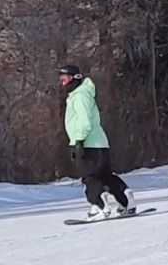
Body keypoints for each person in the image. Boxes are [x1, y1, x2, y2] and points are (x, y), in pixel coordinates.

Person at [58, 64, 136, 220]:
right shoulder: (82, 94)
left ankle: (99, 206)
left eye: (65, 78)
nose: (62, 82)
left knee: (90, 177)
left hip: (89, 144)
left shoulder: (79, 96)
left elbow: (84, 121)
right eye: (61, 79)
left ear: (75, 78)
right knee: (105, 176)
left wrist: (79, 141)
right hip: (99, 144)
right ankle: (126, 199)